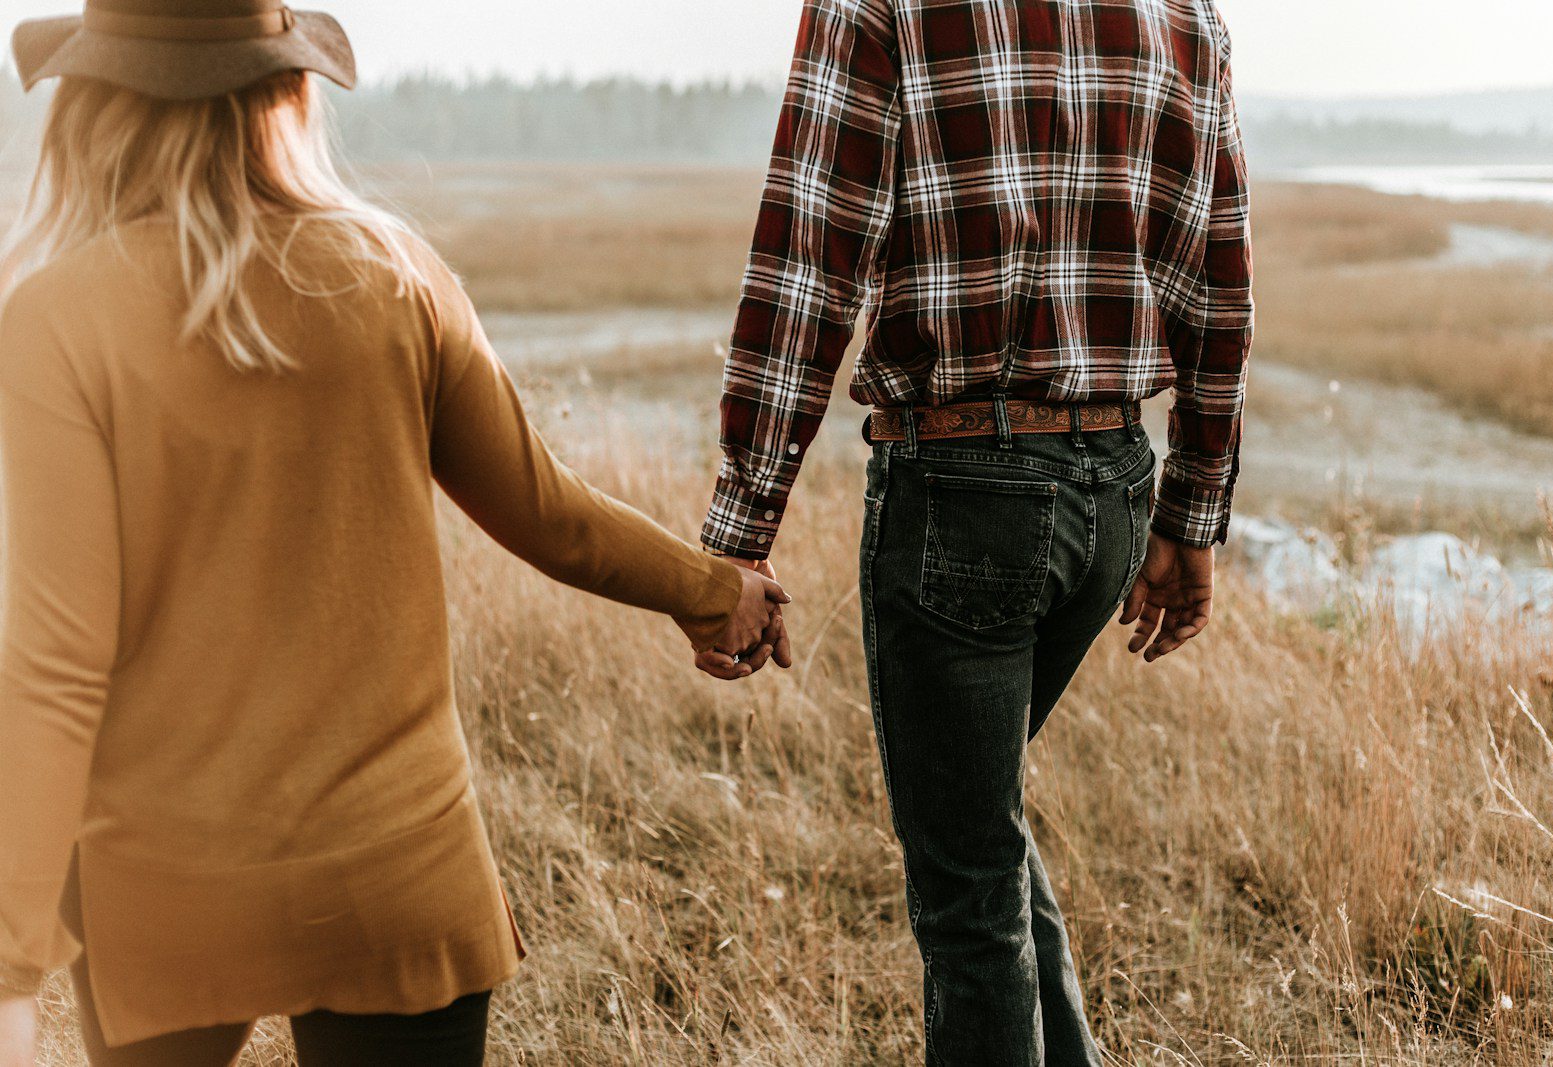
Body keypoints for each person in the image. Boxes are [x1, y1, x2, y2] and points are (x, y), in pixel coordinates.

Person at [0, 2, 789, 1064]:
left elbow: (54, 664)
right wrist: (712, 588)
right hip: (397, 873)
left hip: (172, 885)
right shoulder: (394, 272)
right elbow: (546, 510)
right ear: (287, 93)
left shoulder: (54, 320)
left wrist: (10, 965)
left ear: (93, 107)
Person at [700, 0, 1253, 1062]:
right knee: (978, 830)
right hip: (1111, 490)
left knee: (965, 892)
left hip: (962, 488)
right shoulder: (1181, 12)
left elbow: (810, 259)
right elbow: (1214, 272)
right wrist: (1189, 510)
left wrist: (741, 529)